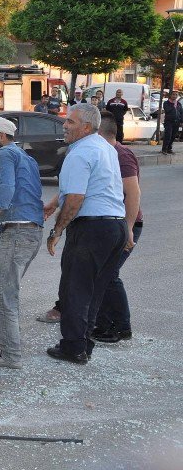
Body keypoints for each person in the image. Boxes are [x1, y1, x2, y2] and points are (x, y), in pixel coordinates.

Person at [44, 104, 127, 365]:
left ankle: (73, 347)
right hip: (115, 226)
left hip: (92, 228)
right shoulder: (105, 147)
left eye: (70, 122)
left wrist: (57, 231)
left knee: (75, 290)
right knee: (95, 290)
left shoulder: (80, 152)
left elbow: (76, 198)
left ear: (86, 127)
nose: (64, 126)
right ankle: (83, 344)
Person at [0, 117, 45, 369]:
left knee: (3, 293)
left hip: (18, 232)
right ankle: (6, 340)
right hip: (32, 230)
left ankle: (11, 354)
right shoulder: (27, 158)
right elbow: (23, 193)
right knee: (8, 291)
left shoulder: (4, 154)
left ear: (2, 137)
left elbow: (6, 191)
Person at [92, 111, 143, 343]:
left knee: (109, 274)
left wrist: (129, 228)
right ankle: (102, 323)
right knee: (100, 274)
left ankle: (120, 327)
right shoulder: (105, 152)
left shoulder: (120, 154)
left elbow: (132, 193)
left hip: (125, 224)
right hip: (111, 223)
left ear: (100, 132)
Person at [162, 90, 180, 155]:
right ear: (170, 95)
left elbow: (181, 112)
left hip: (176, 122)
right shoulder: (166, 103)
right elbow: (167, 110)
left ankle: (169, 149)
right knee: (168, 136)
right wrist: (173, 105)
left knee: (173, 136)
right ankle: (164, 149)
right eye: (173, 94)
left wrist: (181, 121)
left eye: (176, 95)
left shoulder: (178, 103)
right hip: (169, 122)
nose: (175, 96)